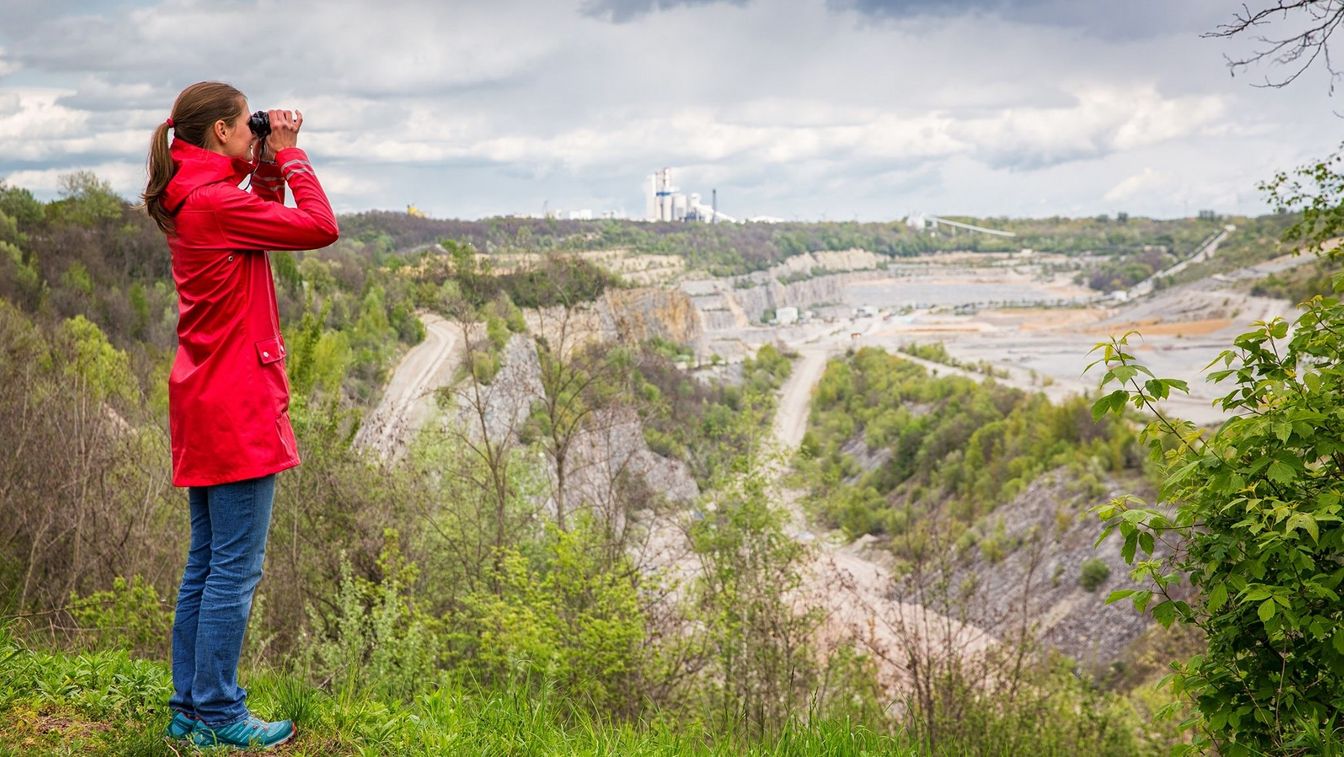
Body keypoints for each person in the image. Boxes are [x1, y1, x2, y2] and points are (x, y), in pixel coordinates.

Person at [141, 81, 339, 749]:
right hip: (238, 405)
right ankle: (219, 711)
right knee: (234, 567)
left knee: (207, 562)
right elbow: (319, 226)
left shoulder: (190, 197)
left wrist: (258, 167)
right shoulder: (216, 203)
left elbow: (253, 219)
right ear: (223, 131)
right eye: (244, 123)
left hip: (202, 397)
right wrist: (289, 153)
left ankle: (189, 708)